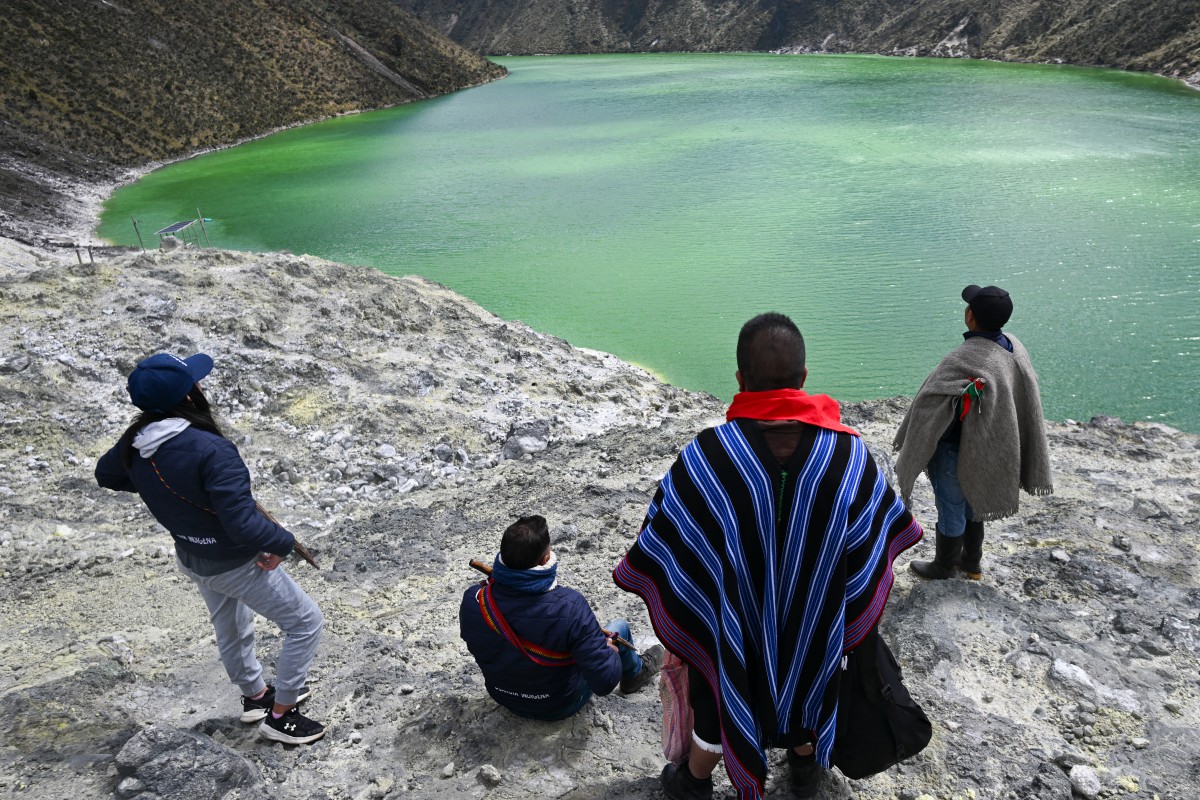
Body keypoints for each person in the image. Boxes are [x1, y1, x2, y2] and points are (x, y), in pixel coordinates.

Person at [613, 313, 923, 800]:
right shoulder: (848, 456)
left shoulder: (707, 456)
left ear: (740, 380)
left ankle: (693, 783)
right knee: (810, 677)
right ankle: (804, 770)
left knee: (719, 687)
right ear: (803, 379)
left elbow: (666, 545)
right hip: (814, 627)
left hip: (732, 627)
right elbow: (873, 547)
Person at [95, 352, 326, 745]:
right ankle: (282, 716)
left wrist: (163, 494)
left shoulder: (135, 442)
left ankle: (255, 697)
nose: (200, 387)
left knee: (230, 625)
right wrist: (281, 543)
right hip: (235, 561)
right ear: (188, 398)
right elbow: (241, 523)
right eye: (194, 383)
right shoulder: (211, 450)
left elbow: (107, 475)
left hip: (192, 556)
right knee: (305, 623)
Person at [893, 284, 1053, 580]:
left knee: (951, 506)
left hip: (955, 448)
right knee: (972, 504)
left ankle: (944, 565)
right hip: (988, 446)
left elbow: (930, 401)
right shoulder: (1013, 347)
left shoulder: (967, 357)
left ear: (970, 316)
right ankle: (971, 562)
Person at [460, 514, 664, 721]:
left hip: (504, 696)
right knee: (619, 627)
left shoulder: (474, 599)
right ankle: (635, 675)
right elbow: (604, 684)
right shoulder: (570, 606)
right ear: (545, 559)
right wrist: (609, 653)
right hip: (557, 703)